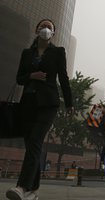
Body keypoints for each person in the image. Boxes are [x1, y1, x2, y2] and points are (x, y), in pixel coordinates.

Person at [5, 19, 74, 200]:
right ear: (37, 30)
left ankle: (21, 186)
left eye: (49, 27)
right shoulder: (27, 53)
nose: (45, 29)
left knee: (35, 141)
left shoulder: (58, 52)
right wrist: (31, 76)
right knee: (32, 145)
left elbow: (64, 78)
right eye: (42, 26)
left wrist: (70, 104)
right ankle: (33, 190)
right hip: (27, 103)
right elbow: (20, 78)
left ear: (53, 33)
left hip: (48, 104)